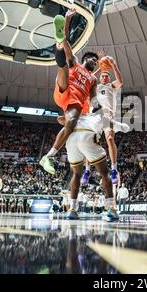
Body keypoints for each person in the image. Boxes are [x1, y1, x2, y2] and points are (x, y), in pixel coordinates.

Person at [40, 9, 98, 175]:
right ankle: (58, 44)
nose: (94, 62)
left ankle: (48, 156)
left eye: (95, 62)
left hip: (74, 104)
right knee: (65, 63)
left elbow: (93, 100)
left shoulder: (93, 79)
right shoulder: (77, 63)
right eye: (92, 59)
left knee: (71, 123)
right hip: (64, 91)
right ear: (86, 59)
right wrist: (67, 19)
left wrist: (96, 113)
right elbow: (69, 45)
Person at [64, 112, 129, 221]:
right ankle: (111, 208)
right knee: (104, 174)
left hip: (72, 139)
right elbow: (123, 128)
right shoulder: (102, 116)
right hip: (87, 138)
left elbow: (61, 120)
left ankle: (72, 209)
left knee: (76, 174)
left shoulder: (80, 115)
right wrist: (123, 126)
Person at [81, 57, 123, 185]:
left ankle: (114, 170)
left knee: (110, 139)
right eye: (103, 76)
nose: (104, 77)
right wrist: (100, 68)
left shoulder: (112, 86)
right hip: (94, 116)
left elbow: (120, 81)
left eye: (106, 76)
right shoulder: (95, 86)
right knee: (89, 142)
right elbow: (87, 79)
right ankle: (87, 171)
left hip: (108, 116)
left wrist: (113, 65)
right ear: (100, 77)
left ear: (109, 78)